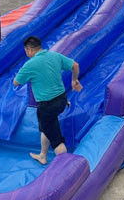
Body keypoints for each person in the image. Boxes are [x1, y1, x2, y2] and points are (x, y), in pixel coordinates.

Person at [13, 36, 82, 165]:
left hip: (47, 106)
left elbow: (16, 82)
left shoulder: (30, 65)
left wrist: (27, 73)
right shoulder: (55, 55)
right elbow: (75, 65)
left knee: (57, 140)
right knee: (47, 127)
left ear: (28, 50)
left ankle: (65, 167)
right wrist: (74, 80)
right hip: (62, 100)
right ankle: (43, 155)